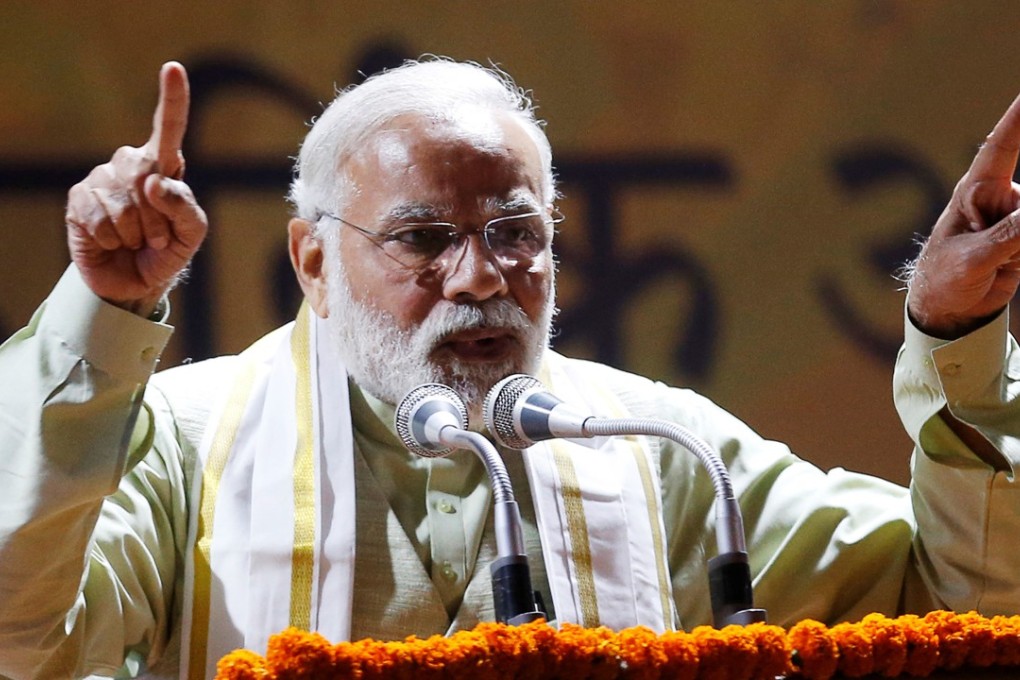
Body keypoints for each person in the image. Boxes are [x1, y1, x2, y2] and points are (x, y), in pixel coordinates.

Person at [0, 58, 1017, 680]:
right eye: (425, 237)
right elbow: (19, 637)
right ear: (314, 261)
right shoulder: (187, 437)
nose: (480, 276)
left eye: (515, 232)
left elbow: (966, 602)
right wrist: (105, 315)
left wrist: (955, 338)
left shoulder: (651, 445)